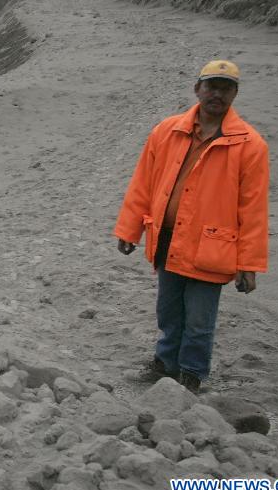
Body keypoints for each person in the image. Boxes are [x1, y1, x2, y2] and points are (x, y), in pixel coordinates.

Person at [113, 60, 269, 393]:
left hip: (212, 247)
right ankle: (165, 363)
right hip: (168, 239)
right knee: (168, 310)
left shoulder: (250, 145)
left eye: (225, 88)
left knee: (199, 320)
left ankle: (191, 374)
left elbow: (253, 209)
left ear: (235, 94)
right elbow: (143, 183)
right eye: (211, 86)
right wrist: (129, 230)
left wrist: (249, 265)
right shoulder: (167, 131)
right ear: (197, 88)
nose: (217, 94)